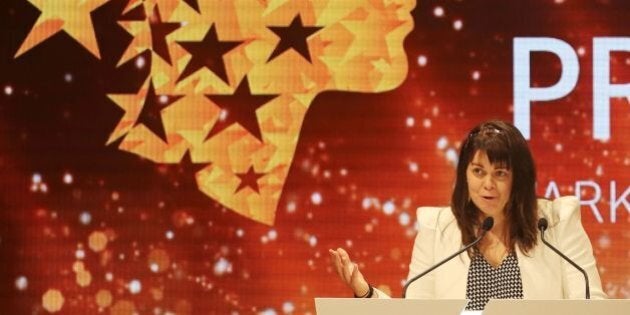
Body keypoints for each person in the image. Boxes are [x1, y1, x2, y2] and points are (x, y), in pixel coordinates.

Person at [329, 120, 606, 310]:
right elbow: (414, 314)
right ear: (465, 174)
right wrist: (366, 293)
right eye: (478, 171)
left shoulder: (555, 223)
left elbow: (593, 306)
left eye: (500, 173)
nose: (488, 184)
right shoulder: (437, 229)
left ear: (518, 178)